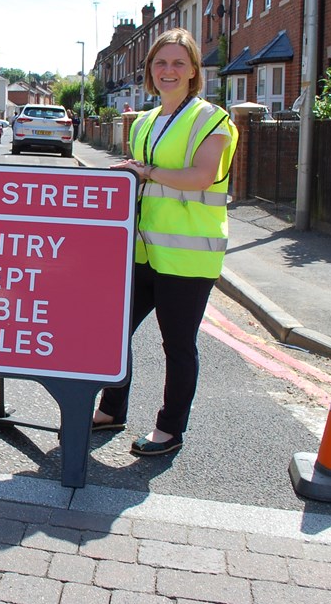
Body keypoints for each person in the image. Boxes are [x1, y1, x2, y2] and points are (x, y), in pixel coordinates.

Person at [91, 27, 238, 456]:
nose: (168, 70)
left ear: (194, 70)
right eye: (160, 63)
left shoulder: (213, 120)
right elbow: (140, 179)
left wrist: (146, 172)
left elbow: (201, 177)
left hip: (189, 254)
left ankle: (169, 430)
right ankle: (112, 409)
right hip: (142, 251)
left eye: (178, 63)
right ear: (150, 72)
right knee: (114, 332)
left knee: (177, 345)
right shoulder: (146, 121)